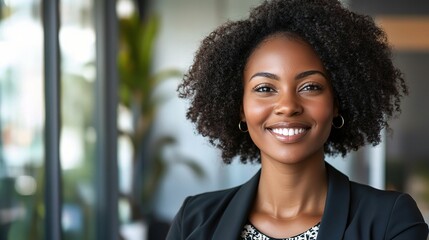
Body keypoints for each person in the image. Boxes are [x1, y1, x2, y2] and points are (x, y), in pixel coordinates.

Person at [166, 0, 429, 239]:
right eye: (265, 88)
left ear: (337, 103)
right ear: (241, 109)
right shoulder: (194, 220)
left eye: (310, 87)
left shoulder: (390, 221)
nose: (288, 106)